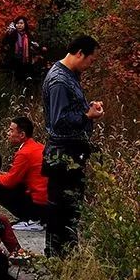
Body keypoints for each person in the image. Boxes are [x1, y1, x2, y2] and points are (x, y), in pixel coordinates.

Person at [41, 35, 104, 256]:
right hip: (63, 154)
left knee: (70, 208)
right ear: (80, 53)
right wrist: (87, 114)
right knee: (62, 207)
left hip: (71, 153)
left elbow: (70, 110)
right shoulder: (59, 80)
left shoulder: (70, 75)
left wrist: (88, 109)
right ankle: (58, 255)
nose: (90, 65)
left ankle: (66, 252)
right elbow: (59, 121)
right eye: (91, 60)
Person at [0, 117, 48, 230]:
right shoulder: (40, 147)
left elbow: (10, 182)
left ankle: (31, 219)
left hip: (38, 200)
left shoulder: (24, 153)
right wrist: (4, 174)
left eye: (11, 130)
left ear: (22, 134)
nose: (8, 133)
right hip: (47, 198)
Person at [1, 16, 46, 83]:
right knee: (15, 80)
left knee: (25, 79)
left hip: (25, 61)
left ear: (25, 24)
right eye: (18, 23)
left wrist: (40, 47)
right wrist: (7, 34)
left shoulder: (28, 35)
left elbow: (34, 43)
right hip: (14, 61)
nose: (19, 25)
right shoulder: (13, 34)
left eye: (21, 23)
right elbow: (5, 43)